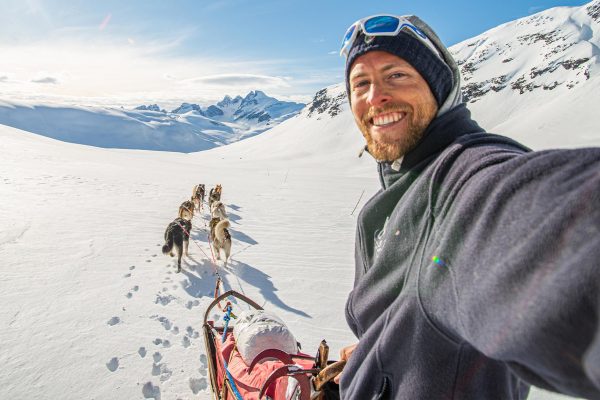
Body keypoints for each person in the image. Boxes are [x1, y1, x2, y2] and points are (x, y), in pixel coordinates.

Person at [335, 14, 600, 400]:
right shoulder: (381, 208)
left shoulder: (463, 180)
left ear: (440, 88)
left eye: (397, 76)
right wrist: (373, 354)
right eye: (361, 83)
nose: (375, 96)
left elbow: (526, 217)